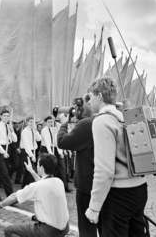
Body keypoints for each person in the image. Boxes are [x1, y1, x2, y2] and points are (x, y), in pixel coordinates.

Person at [85, 77, 147, 236]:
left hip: (119, 194)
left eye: (90, 95)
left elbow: (104, 171)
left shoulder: (103, 120)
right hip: (139, 188)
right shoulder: (124, 115)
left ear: (99, 95)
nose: (88, 101)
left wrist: (94, 207)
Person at [0, 153, 70, 237]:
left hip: (49, 231)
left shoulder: (38, 186)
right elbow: (43, 183)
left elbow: (15, 196)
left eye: (38, 165)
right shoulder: (59, 181)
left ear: (42, 168)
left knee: (9, 231)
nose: (37, 166)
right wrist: (31, 171)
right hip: (65, 228)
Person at [57, 93, 102, 237]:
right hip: (107, 185)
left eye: (81, 104)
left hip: (87, 185)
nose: (79, 107)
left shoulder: (88, 123)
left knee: (87, 229)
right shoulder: (108, 120)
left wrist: (64, 123)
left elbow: (62, 142)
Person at [0, 110, 17, 201]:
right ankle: (11, 198)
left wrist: (12, 130)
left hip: (7, 148)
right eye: (4, 115)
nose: (6, 117)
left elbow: (15, 140)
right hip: (0, 150)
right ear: (0, 116)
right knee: (5, 174)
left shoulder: (9, 126)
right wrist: (3, 152)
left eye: (7, 116)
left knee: (0, 174)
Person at [40, 116, 71, 192]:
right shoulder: (44, 130)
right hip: (47, 150)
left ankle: (64, 187)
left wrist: (60, 152)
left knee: (62, 167)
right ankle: (50, 187)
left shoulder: (54, 129)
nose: (50, 123)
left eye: (52, 121)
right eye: (49, 122)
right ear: (45, 122)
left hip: (55, 149)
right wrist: (51, 154)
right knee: (50, 169)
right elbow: (47, 143)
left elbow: (56, 141)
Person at [19, 117, 41, 188]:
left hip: (32, 150)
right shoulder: (24, 131)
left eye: (33, 122)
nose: (32, 123)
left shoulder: (33, 130)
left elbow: (39, 138)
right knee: (32, 170)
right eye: (30, 122)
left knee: (28, 171)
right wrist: (31, 155)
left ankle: (24, 187)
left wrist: (36, 130)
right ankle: (29, 187)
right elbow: (26, 145)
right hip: (26, 151)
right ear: (27, 122)